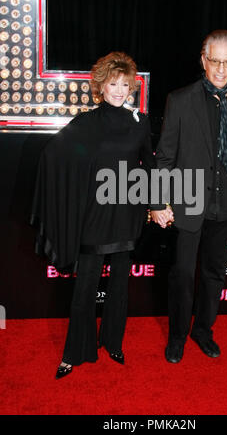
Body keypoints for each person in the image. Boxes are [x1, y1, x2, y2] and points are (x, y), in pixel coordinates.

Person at [31, 52, 155, 378]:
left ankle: (113, 342)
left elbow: (150, 169)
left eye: (124, 84)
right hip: (93, 219)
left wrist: (156, 204)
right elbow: (53, 157)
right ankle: (75, 352)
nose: (118, 90)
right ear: (100, 85)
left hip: (126, 216)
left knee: (119, 287)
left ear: (132, 87)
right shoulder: (85, 124)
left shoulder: (140, 124)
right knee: (84, 288)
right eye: (112, 83)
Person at [151, 30, 227, 363]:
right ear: (203, 59)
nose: (220, 69)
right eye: (215, 61)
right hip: (188, 202)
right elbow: (165, 157)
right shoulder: (180, 99)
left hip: (226, 205)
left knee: (214, 274)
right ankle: (178, 335)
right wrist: (157, 202)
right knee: (183, 274)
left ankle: (203, 331)